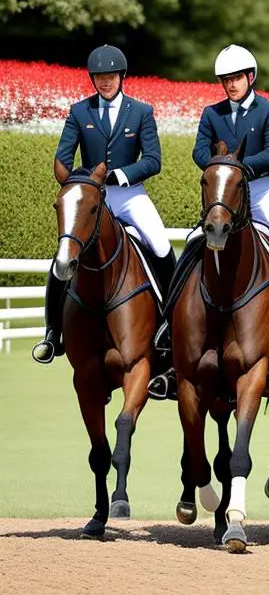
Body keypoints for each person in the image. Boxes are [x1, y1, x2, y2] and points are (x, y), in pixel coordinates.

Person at [157, 44, 269, 360]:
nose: (231, 84)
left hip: (259, 187)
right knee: (193, 243)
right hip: (225, 192)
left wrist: (240, 167)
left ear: (250, 77)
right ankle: (167, 321)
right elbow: (199, 152)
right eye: (226, 79)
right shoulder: (211, 114)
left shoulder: (268, 111)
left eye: (237, 78)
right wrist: (222, 167)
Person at [33, 45, 174, 364]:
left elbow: (153, 161)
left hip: (129, 194)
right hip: (91, 196)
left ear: (121, 77)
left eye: (110, 76)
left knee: (162, 246)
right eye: (99, 77)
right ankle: (52, 333)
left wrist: (120, 175)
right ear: (93, 79)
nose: (105, 82)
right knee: (63, 256)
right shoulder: (79, 112)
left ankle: (170, 323)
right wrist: (76, 181)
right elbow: (63, 155)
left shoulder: (141, 112)